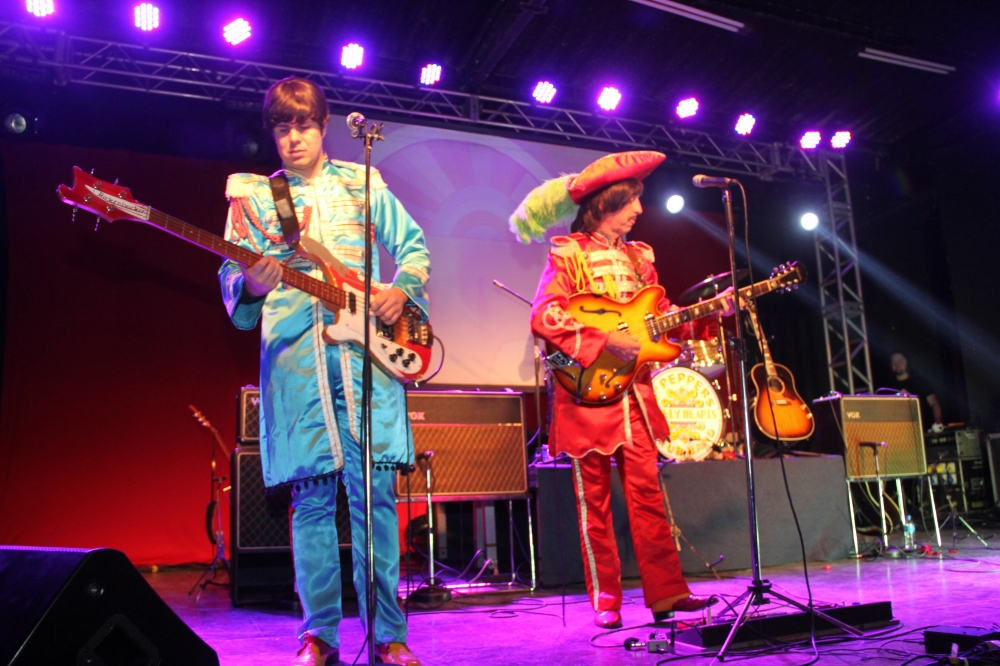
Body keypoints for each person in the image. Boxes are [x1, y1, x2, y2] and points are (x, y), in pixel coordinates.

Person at [219, 77, 429, 666]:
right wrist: (250, 284)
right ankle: (319, 636)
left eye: (304, 125)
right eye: (282, 128)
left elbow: (414, 247)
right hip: (297, 366)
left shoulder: (363, 182)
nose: (293, 138)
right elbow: (231, 285)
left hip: (366, 362)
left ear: (324, 125)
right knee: (310, 504)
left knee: (376, 502)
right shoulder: (256, 198)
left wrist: (401, 289)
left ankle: (388, 635)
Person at [510, 151, 727, 628]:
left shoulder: (640, 258)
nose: (639, 210)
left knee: (648, 497)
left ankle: (667, 594)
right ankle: (605, 598)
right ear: (606, 203)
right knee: (595, 503)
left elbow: (661, 318)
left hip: (636, 398)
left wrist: (710, 311)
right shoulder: (568, 254)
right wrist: (605, 340)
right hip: (587, 395)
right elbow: (545, 316)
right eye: (631, 201)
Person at [890, 352, 944, 432]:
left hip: (924, 429)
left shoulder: (920, 381)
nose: (897, 364)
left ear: (907, 362)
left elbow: (934, 403)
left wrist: (938, 423)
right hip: (900, 431)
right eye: (894, 361)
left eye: (900, 360)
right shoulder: (888, 387)